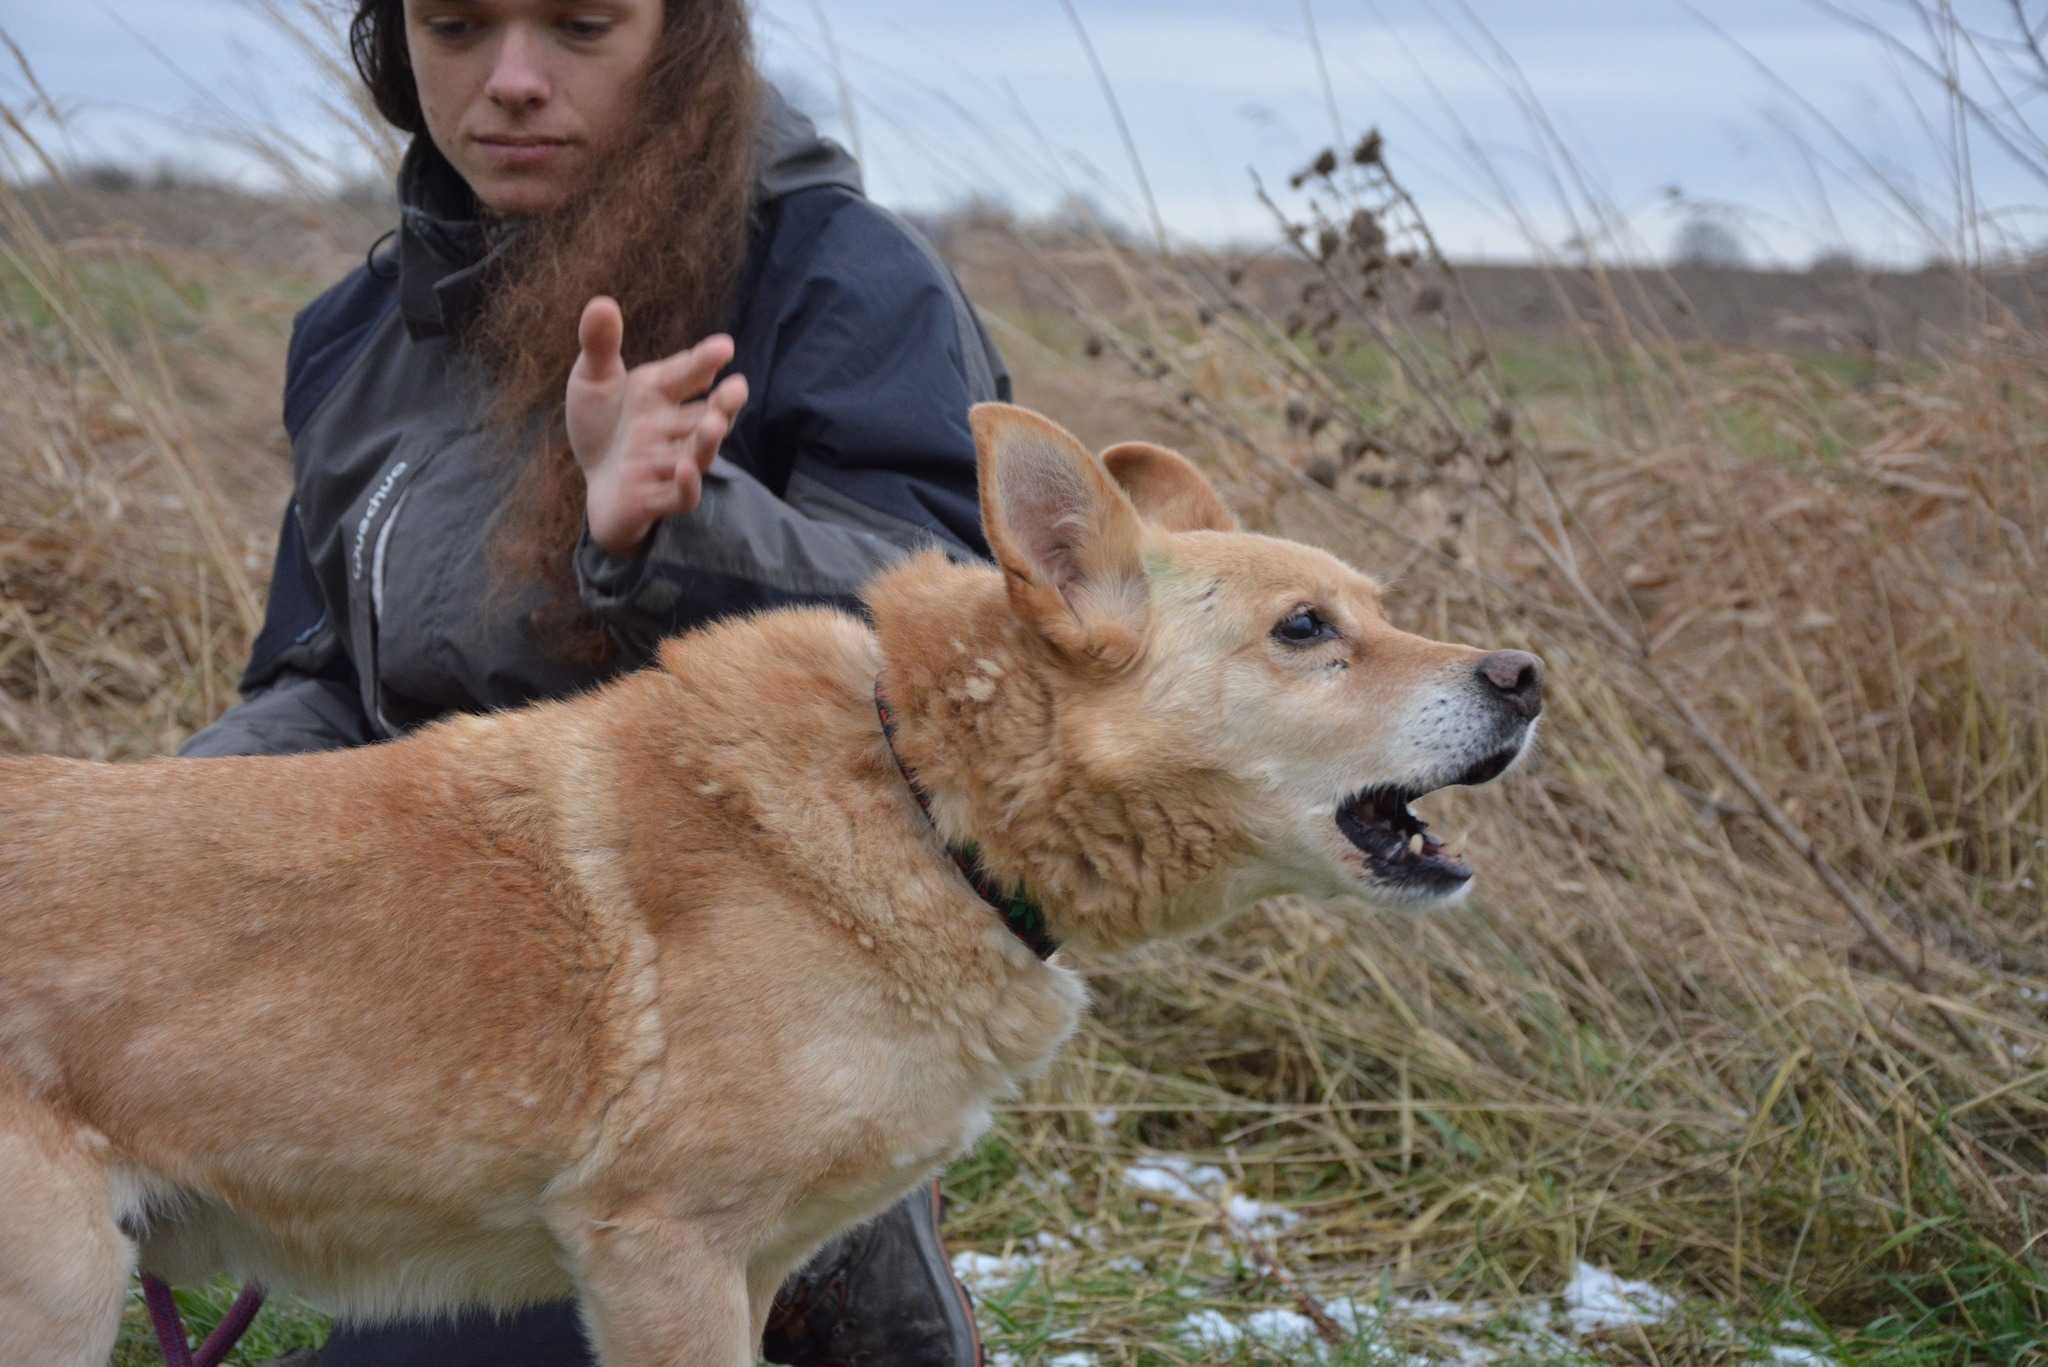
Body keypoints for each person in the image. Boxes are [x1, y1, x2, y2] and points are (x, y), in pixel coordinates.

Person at [178, 1, 1005, 1364]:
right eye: (453, 26)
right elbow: (327, 679)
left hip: (738, 1019)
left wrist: (675, 532)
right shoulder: (357, 333)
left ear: (683, 38)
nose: (510, 82)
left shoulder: (838, 277)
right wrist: (162, 833)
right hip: (431, 993)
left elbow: (974, 661)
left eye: (579, 24)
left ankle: (840, 1284)